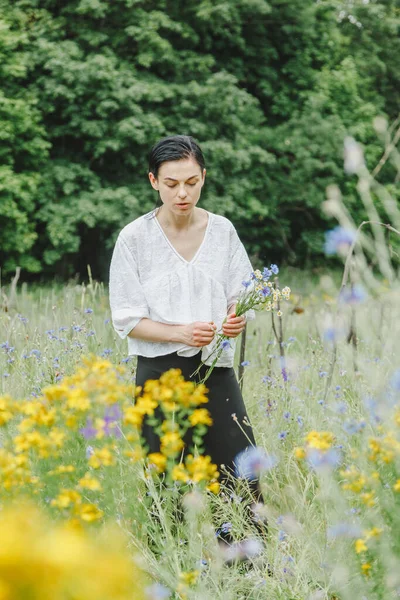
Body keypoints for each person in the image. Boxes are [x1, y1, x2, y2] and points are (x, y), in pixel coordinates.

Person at [109, 134, 262, 508]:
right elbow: (127, 320)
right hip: (159, 374)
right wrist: (180, 332)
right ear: (153, 181)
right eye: (172, 184)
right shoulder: (134, 238)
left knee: (240, 472)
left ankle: (246, 564)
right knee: (166, 482)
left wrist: (234, 318)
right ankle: (173, 565)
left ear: (203, 178)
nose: (183, 193)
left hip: (216, 368)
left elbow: (242, 294)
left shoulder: (223, 231)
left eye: (192, 183)